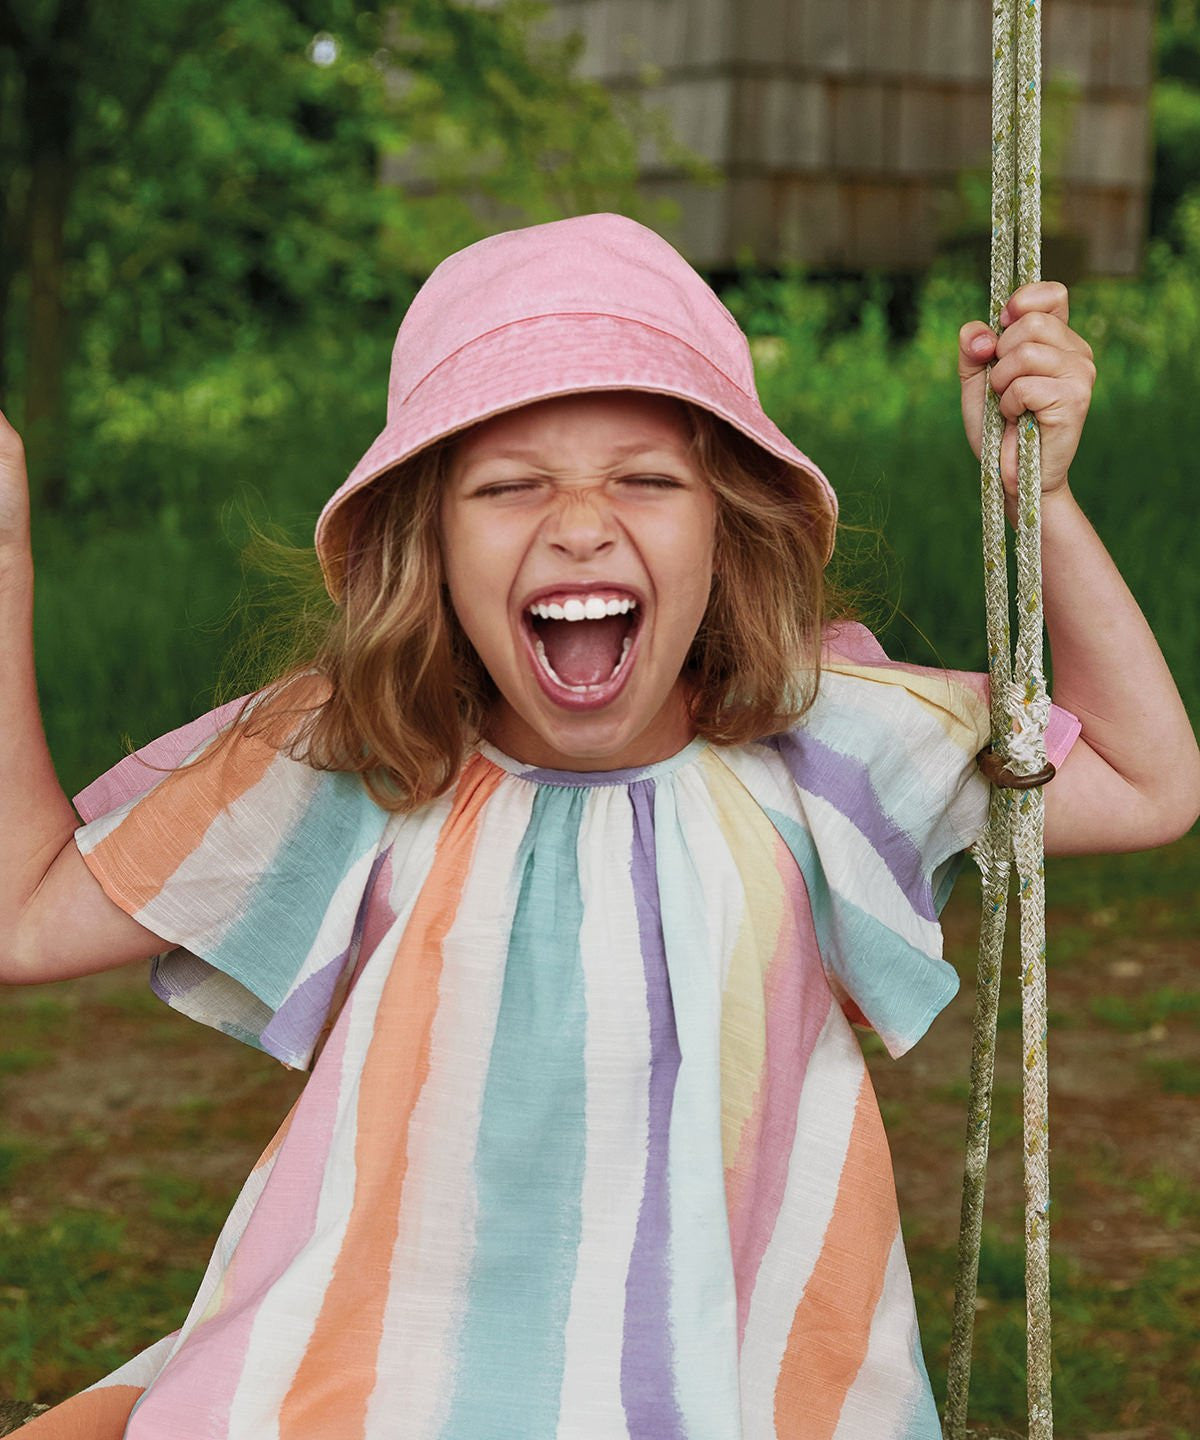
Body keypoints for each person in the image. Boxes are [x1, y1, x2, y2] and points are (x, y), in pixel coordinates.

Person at [1, 212, 1196, 1440]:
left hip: (737, 1393)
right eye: (510, 485)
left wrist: (1036, 504)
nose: (578, 522)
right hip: (383, 1392)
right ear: (431, 545)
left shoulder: (822, 743)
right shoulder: (361, 752)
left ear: (728, 531)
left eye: (645, 479)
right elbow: (26, 916)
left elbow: (1149, 785)